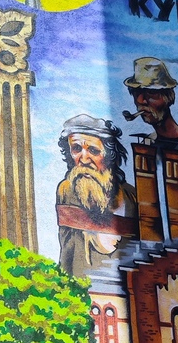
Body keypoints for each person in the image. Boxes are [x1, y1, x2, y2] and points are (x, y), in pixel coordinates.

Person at [56, 114, 138, 278]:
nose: (84, 159)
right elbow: (67, 252)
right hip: (83, 287)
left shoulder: (131, 196)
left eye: (93, 150)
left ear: (109, 156)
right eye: (76, 149)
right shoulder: (67, 191)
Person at [123, 57, 178, 147]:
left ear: (169, 97)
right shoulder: (146, 146)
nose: (141, 101)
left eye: (151, 92)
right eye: (136, 93)